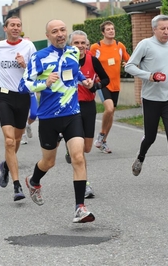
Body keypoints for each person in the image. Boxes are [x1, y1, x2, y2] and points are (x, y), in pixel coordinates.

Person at [19, 19, 95, 223]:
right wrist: (44, 83)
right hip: (49, 118)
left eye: (63, 30)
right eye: (55, 31)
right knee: (49, 161)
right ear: (48, 36)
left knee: (78, 157)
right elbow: (23, 85)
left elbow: (74, 71)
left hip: (72, 114)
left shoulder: (72, 52)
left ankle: (80, 208)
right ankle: (34, 181)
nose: (60, 34)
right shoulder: (39, 57)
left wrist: (84, 81)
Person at [125, 14, 168, 194]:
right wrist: (149, 75)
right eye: (162, 29)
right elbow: (129, 66)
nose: (166, 32)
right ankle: (140, 157)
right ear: (154, 29)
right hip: (151, 100)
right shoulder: (145, 44)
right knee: (150, 137)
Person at [0, 16, 37, 201]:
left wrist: (25, 65)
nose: (15, 28)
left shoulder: (29, 46)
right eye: (12, 25)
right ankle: (17, 186)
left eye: (18, 25)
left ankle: (6, 166)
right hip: (5, 96)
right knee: (8, 141)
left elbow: (37, 70)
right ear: (5, 28)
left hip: (23, 96)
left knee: (15, 140)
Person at [68, 30, 110, 198]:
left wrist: (95, 86)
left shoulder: (92, 60)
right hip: (70, 107)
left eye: (82, 43)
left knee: (86, 148)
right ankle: (84, 184)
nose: (79, 46)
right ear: (71, 45)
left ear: (87, 44)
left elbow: (106, 79)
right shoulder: (64, 60)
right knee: (78, 151)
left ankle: (70, 148)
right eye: (76, 43)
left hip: (88, 106)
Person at [89, 20, 130, 153]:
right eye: (108, 29)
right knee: (109, 108)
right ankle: (101, 134)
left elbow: (128, 60)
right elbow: (89, 62)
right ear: (103, 32)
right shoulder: (96, 47)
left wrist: (127, 65)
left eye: (112, 28)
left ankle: (103, 142)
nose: (111, 31)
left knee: (111, 113)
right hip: (102, 83)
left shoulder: (119, 46)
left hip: (116, 84)